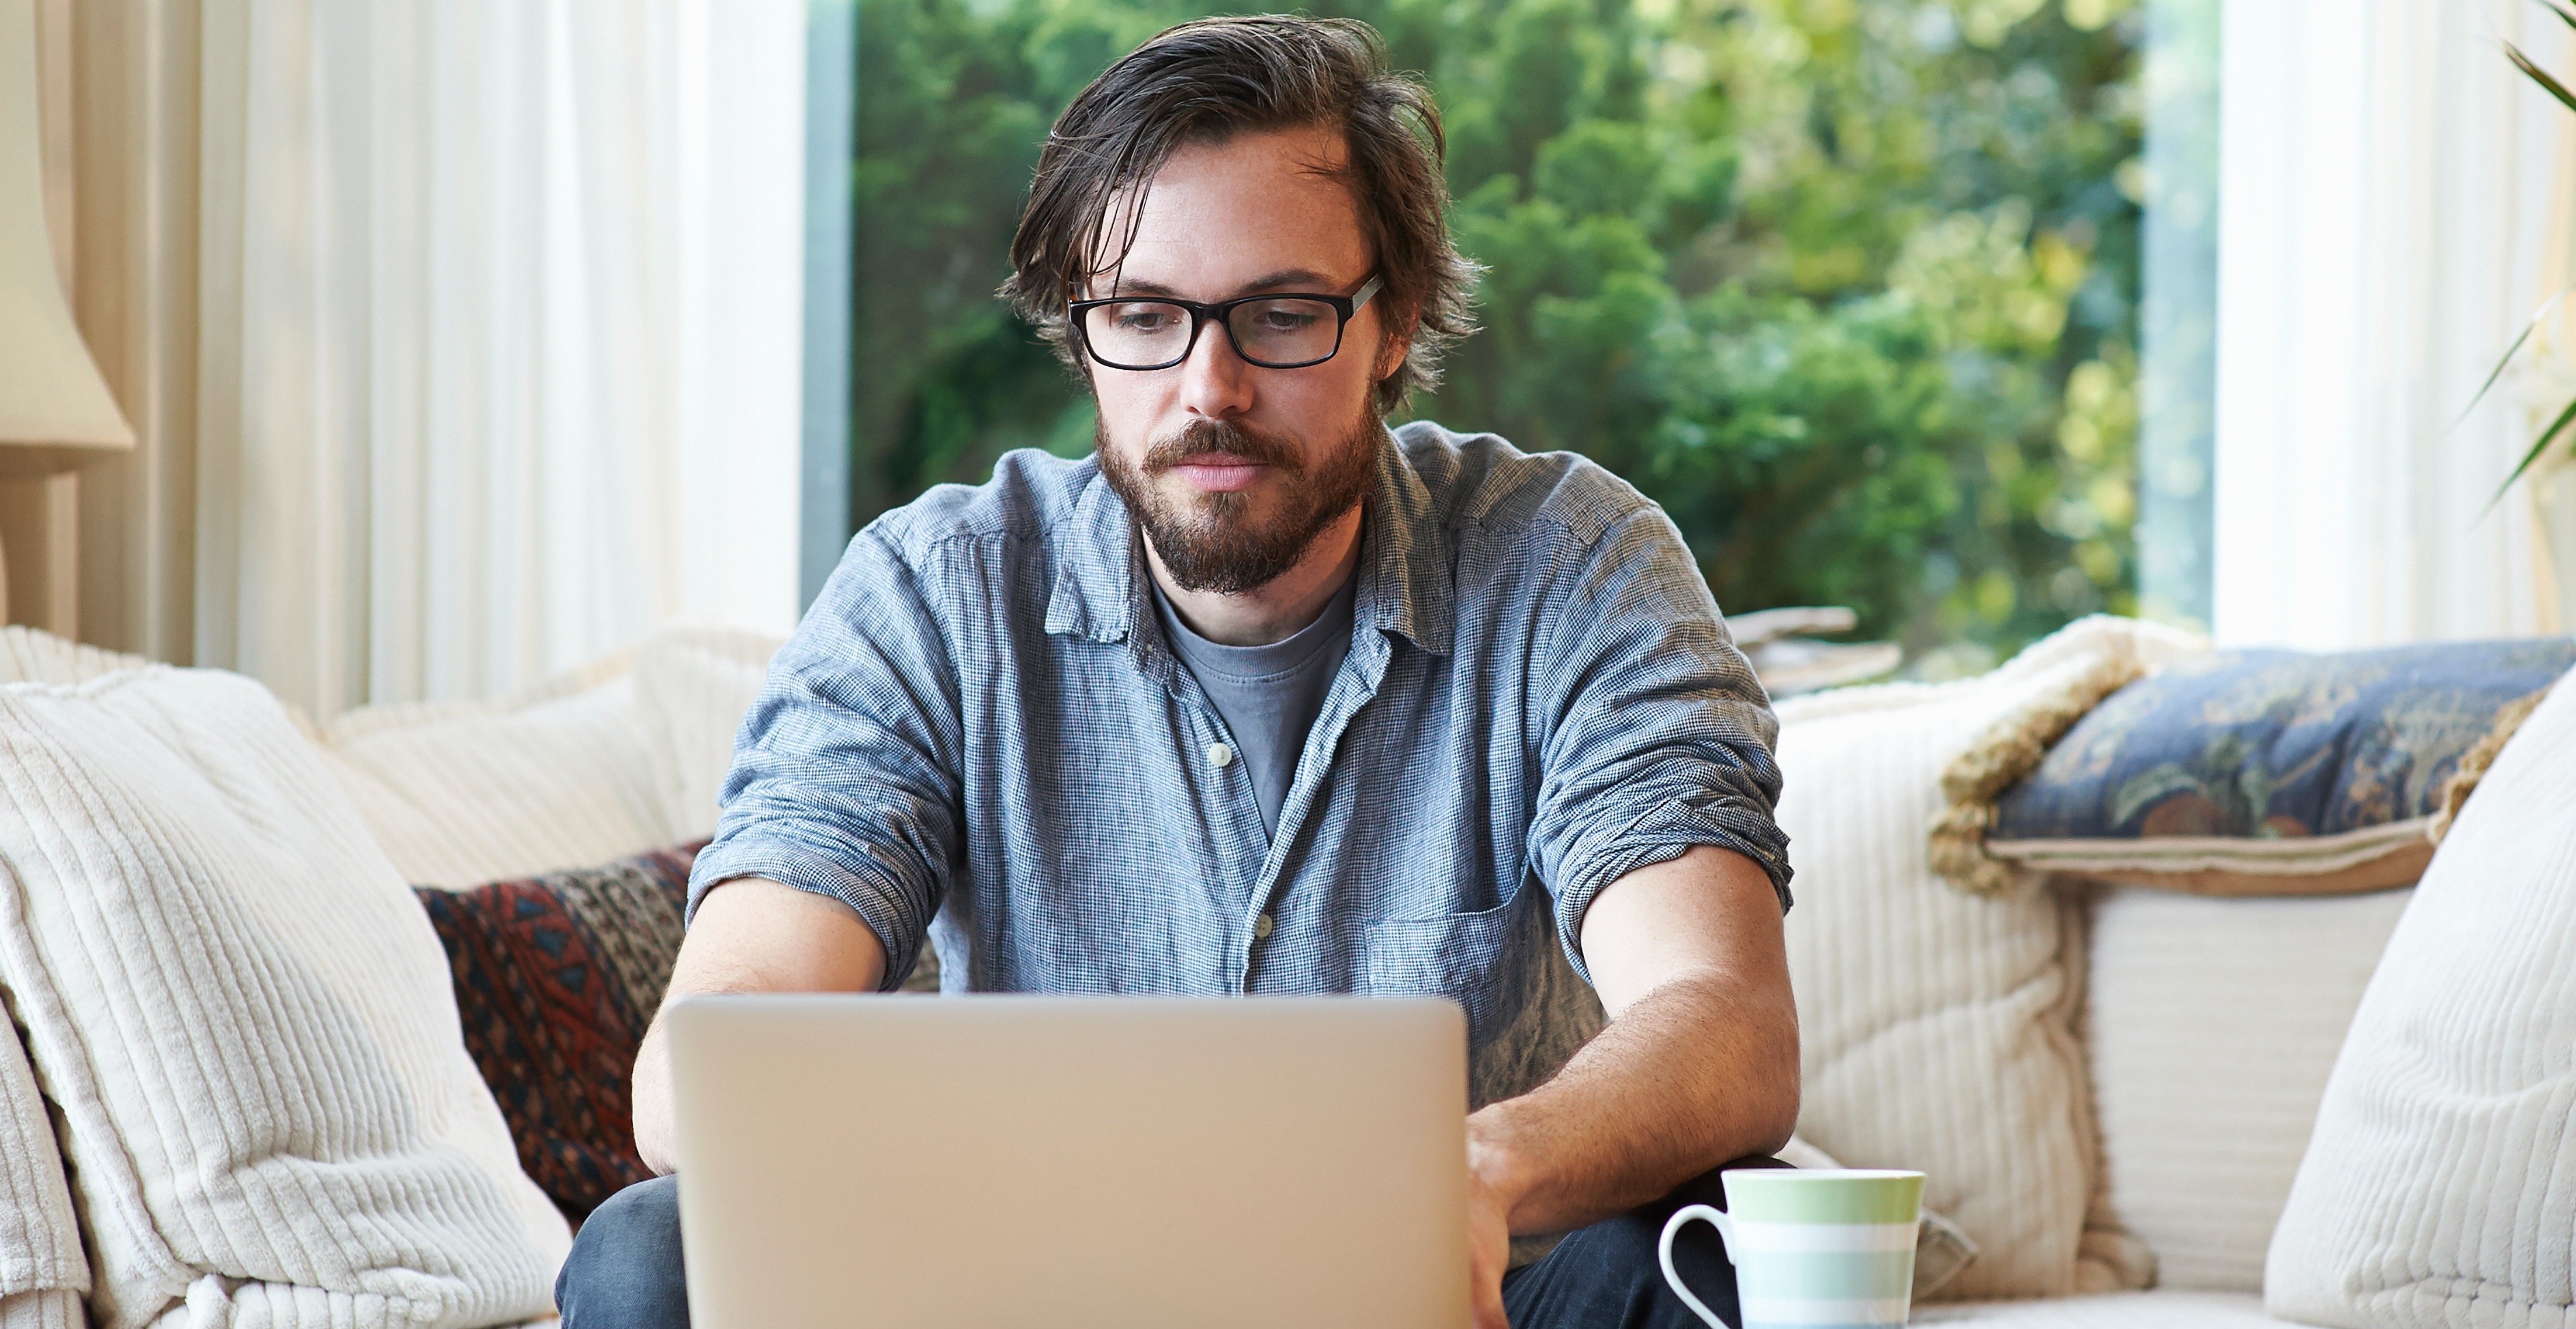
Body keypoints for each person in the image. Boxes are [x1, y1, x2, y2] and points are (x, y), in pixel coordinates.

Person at [555, 15, 1798, 1328]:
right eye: (1144, 316)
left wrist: (1474, 1172)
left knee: (1712, 1250)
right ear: (1081, 333)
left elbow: (1722, 1019)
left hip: (1471, 1293)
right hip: (1022, 1296)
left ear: (1394, 324)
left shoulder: (1570, 562)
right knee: (652, 1253)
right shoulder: (932, 594)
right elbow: (710, 1065)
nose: (1209, 386)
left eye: (1280, 315)